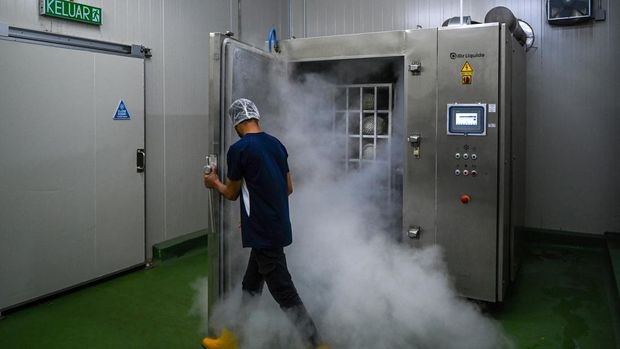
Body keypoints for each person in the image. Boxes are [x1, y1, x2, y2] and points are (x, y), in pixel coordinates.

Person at [202, 98, 328, 349]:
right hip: (275, 226)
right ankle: (230, 338)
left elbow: (232, 193)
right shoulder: (276, 144)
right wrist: (256, 215)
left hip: (264, 233)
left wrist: (213, 182)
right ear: (256, 117)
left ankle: (317, 345)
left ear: (237, 123)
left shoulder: (240, 149)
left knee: (285, 293)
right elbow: (287, 188)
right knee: (251, 286)